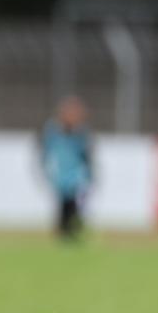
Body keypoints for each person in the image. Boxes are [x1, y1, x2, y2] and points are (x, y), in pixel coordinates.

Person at [41, 95, 92, 240]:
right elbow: (47, 150)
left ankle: (71, 229)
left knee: (73, 202)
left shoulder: (81, 132)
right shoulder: (53, 131)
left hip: (75, 174)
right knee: (63, 202)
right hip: (60, 173)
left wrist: (89, 172)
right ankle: (64, 230)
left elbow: (85, 154)